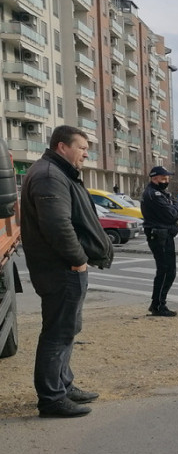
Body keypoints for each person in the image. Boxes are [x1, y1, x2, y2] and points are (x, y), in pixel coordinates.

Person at [19, 125, 114, 418]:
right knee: (58, 332)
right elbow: (57, 225)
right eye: (81, 147)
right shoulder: (49, 176)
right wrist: (78, 259)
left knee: (67, 329)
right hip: (60, 269)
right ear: (62, 146)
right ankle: (52, 399)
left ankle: (63, 384)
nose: (86, 154)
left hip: (61, 267)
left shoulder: (56, 172)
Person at [140, 165, 178, 317]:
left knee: (168, 271)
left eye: (167, 178)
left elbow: (173, 206)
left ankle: (157, 303)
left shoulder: (161, 193)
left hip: (163, 234)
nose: (166, 181)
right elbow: (172, 214)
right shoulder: (154, 194)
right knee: (166, 271)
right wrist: (175, 206)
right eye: (163, 178)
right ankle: (158, 305)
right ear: (154, 178)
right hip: (159, 235)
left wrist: (174, 205)